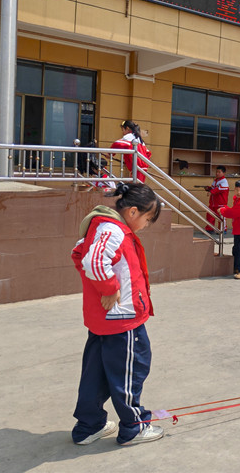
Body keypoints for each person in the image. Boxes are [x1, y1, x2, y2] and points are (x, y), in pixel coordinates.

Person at [70, 183, 164, 446]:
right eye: (147, 218)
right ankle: (134, 427)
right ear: (133, 211)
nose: (146, 225)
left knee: (96, 374)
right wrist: (109, 288)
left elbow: (78, 253)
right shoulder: (113, 230)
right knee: (130, 372)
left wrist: (99, 287)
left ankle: (89, 426)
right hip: (123, 319)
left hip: (104, 319)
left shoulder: (101, 226)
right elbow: (93, 262)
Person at [204, 166, 229, 233]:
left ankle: (222, 230)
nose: (217, 173)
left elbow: (219, 189)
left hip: (221, 203)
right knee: (210, 216)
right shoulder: (215, 181)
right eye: (216, 172)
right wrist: (208, 188)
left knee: (221, 217)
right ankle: (209, 229)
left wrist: (211, 191)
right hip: (213, 203)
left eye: (219, 172)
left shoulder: (224, 181)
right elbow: (213, 188)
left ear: (224, 173)